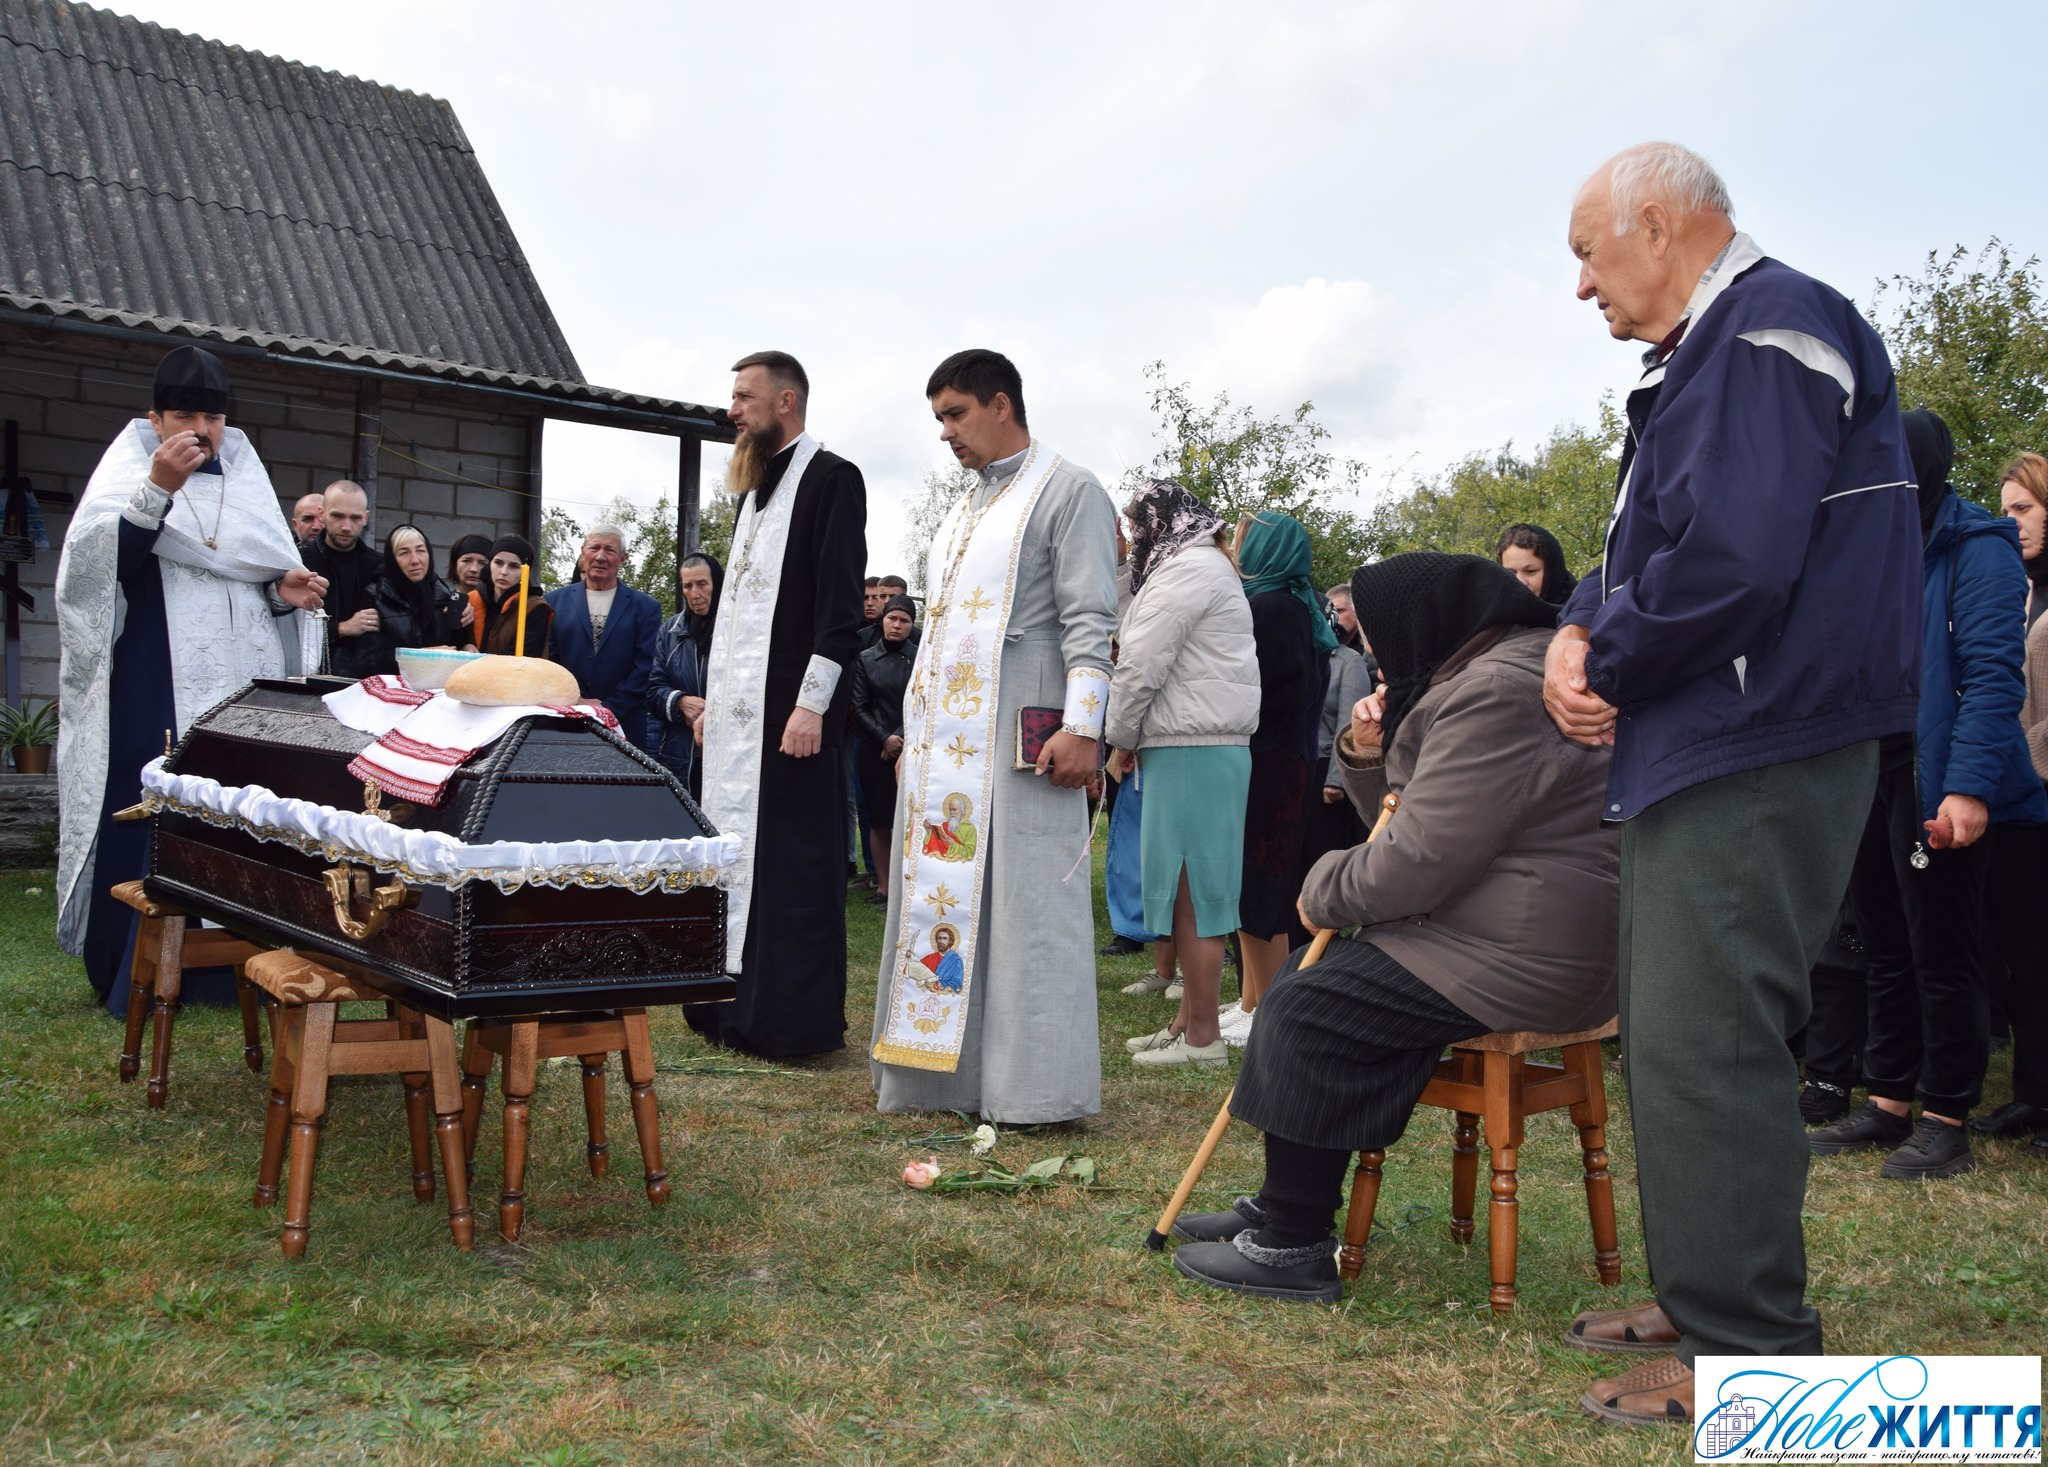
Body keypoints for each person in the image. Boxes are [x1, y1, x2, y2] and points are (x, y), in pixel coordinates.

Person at [1542, 143, 1920, 1426]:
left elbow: (1733, 563)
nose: (1580, 286)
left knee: (1709, 1037)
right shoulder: (1706, 351)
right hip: (1708, 731)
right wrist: (1574, 631)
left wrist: (1605, 658)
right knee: (1670, 1033)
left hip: (1756, 732)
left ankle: (1749, 1349)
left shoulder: (1766, 325)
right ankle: (1701, 1296)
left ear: (1656, 225)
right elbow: (1643, 545)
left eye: (1587, 254)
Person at [1168, 553, 1614, 1301]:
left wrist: (1322, 890)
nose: (1375, 656)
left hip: (1527, 945)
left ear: (1421, 624)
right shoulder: (1484, 672)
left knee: (1309, 1007)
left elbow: (1422, 858)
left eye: (1379, 639)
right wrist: (1368, 750)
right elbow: (1405, 815)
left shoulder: (1496, 692)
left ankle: (1293, 1244)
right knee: (1319, 981)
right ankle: (1288, 1198)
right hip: (1494, 926)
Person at [870, 348, 1116, 1123]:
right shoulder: (964, 507)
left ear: (1000, 404)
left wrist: (1084, 726)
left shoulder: (1070, 490)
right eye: (939, 418)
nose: (945, 432)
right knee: (947, 908)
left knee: (1027, 908)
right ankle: (943, 1080)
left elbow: (1091, 619)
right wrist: (914, 733)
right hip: (947, 749)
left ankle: (1034, 1087)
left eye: (956, 414)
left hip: (1024, 736)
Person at [1807, 410, 2046, 1178]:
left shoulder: (1979, 545)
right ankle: (1888, 1104)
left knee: (1943, 950)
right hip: (1872, 768)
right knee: (1883, 944)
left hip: (1937, 772)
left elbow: (1993, 677)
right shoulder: (1870, 546)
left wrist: (1968, 788)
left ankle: (1946, 1119)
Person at [55, 344, 327, 1008]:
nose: (201, 431)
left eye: (213, 417)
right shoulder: (128, 474)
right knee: (152, 807)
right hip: (157, 674)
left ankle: (239, 971)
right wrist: (156, 492)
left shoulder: (247, 481)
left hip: (238, 687)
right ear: (155, 419)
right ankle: (135, 966)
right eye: (185, 416)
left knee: (239, 811)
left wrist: (280, 593)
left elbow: (257, 574)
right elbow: (94, 575)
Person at [689, 351, 867, 1059]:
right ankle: (730, 1007)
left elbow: (839, 610)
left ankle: (788, 1022)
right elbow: (734, 616)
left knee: (792, 866)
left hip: (793, 718)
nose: (733, 410)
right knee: (740, 857)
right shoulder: (752, 490)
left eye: (744, 397)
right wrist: (713, 702)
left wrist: (811, 706)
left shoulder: (832, 479)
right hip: (740, 724)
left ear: (785, 401)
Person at [1106, 479, 1259, 1069]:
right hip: (1191, 742)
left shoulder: (1186, 571)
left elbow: (1139, 663)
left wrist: (1119, 737)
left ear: (1161, 522)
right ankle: (1185, 1024)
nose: (1133, 535)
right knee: (1185, 893)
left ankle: (1202, 1039)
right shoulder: (1196, 567)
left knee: (1194, 898)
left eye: (1136, 523)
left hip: (1194, 746)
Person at [1226, 511, 1333, 1046]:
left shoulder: (1269, 609)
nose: (1236, 552)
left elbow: (1254, 691)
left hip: (1268, 761)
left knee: (1261, 888)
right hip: (1288, 759)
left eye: (1243, 541)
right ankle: (1252, 1000)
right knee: (1257, 886)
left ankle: (1267, 1009)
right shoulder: (1300, 604)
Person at [1983, 450, 2048, 1157]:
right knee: (2026, 953)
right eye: (2005, 512)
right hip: (2021, 800)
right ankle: (2033, 1091)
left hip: (2035, 777)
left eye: (2024, 508)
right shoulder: (2017, 590)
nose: (2013, 523)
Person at [1288, 598, 1378, 954]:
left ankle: (1322, 946)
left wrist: (1336, 779)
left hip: (1325, 771)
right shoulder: (1301, 656)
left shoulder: (1348, 662)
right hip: (1296, 768)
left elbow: (1348, 724)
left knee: (1319, 857)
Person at [545, 525, 662, 749]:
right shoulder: (554, 602)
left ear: (623, 558)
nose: (600, 556)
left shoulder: (645, 608)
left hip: (624, 726)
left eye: (609, 550)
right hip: (566, 722)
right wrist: (576, 702)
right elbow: (549, 662)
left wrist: (607, 710)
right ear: (583, 552)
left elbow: (645, 668)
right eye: (594, 548)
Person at [850, 593, 916, 903]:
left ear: (912, 625)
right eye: (892, 618)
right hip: (873, 748)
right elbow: (859, 704)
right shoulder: (865, 658)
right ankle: (884, 886)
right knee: (879, 819)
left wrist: (899, 737)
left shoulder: (921, 658)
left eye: (904, 620)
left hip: (912, 744)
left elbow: (921, 700)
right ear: (883, 620)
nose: (897, 625)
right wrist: (884, 738)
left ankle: (910, 885)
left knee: (910, 817)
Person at [648, 551, 721, 794]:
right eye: (687, 586)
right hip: (680, 755)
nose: (695, 593)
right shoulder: (670, 631)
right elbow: (653, 689)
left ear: (717, 583)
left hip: (725, 752)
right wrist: (680, 702)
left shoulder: (737, 629)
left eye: (702, 584)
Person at [300, 479, 381, 679]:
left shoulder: (379, 566)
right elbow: (288, 627)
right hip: (308, 677)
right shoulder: (300, 561)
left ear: (366, 518)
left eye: (355, 518)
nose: (346, 526)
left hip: (363, 680)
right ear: (322, 514)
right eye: (337, 516)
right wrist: (341, 628)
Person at [480, 535, 552, 657]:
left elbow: (525, 656)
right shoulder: (473, 600)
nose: (504, 572)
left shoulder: (534, 608)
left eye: (513, 566)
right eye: (498, 563)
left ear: (525, 571)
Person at [1494, 522, 1578, 607]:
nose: (1520, 582)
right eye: (1510, 573)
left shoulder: (1579, 610)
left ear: (1552, 573)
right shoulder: (1493, 611)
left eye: (1530, 571)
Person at [448, 533, 492, 647]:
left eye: (482, 563)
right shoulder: (441, 603)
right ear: (455, 563)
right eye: (466, 560)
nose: (474, 569)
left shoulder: (495, 609)